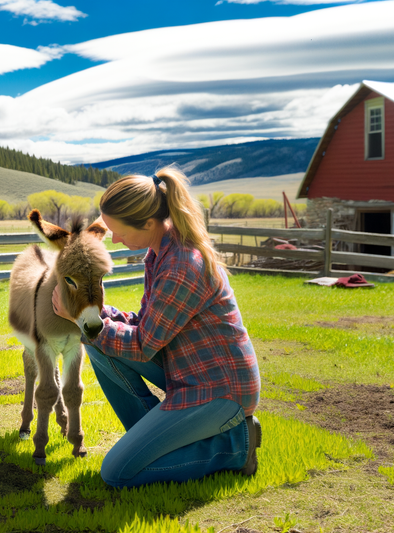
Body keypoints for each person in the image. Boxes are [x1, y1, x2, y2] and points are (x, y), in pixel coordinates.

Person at [52, 166, 261, 488]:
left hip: (218, 389)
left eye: (119, 231)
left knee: (117, 474)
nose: (116, 239)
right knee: (98, 345)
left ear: (148, 223)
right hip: (188, 369)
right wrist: (91, 314)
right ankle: (153, 438)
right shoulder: (161, 252)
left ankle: (234, 447)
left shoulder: (181, 265)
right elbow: (146, 326)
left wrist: (81, 319)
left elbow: (141, 346)